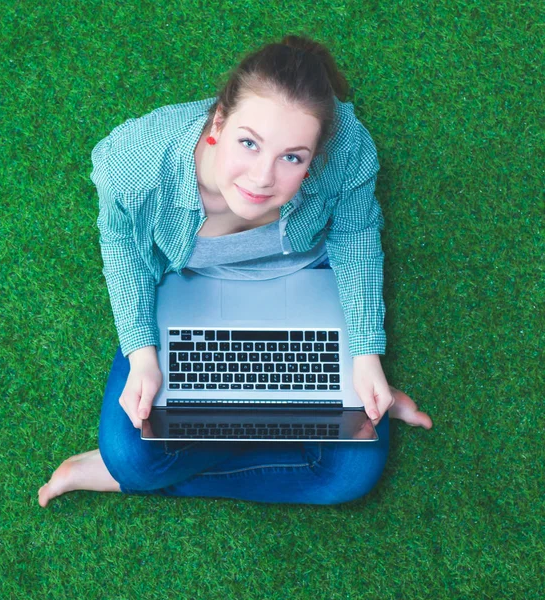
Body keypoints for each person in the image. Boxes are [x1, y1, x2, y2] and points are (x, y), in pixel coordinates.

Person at [39, 34, 432, 508]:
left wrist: (364, 354)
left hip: (303, 277)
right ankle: (129, 468)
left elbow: (356, 237)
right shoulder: (135, 160)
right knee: (129, 454)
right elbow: (121, 244)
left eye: (292, 157)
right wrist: (142, 351)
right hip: (193, 287)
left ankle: (149, 470)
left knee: (350, 474)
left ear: (315, 155)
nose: (262, 178)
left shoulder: (346, 148)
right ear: (219, 123)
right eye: (249, 143)